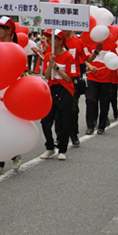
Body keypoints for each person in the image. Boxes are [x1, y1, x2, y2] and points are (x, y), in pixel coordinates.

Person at [0, 16, 23, 176]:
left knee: (9, 124)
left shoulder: (17, 49)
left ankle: (15, 152)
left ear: (9, 30)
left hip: (11, 92)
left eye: (1, 27)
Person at [39, 30, 79, 161]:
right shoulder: (48, 55)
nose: (50, 41)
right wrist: (50, 64)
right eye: (49, 39)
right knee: (45, 120)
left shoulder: (69, 56)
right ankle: (50, 147)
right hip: (51, 88)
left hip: (65, 90)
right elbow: (45, 75)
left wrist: (57, 68)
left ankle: (62, 149)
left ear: (61, 41)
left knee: (63, 121)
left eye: (53, 39)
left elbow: (68, 78)